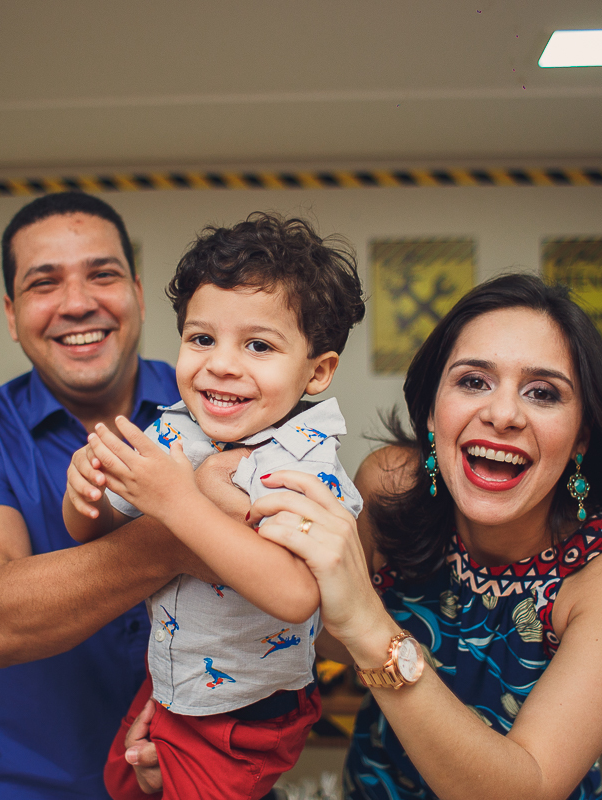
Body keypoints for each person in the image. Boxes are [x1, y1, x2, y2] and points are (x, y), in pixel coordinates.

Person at [238, 273, 602, 800]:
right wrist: (184, 708)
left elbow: (529, 789)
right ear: (429, 411)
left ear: (581, 435)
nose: (502, 414)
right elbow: (318, 633)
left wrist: (367, 621)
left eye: (543, 393)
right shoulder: (389, 486)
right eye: (473, 381)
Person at [0, 192, 231, 799]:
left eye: (103, 274)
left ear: (138, 294)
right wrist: (185, 532)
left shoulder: (220, 404)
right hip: (36, 785)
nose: (78, 302)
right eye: (45, 283)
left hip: (212, 776)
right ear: (12, 315)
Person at [63, 213, 367, 800]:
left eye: (258, 345)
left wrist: (182, 502)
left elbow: (297, 593)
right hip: (169, 682)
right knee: (121, 783)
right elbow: (93, 534)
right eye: (202, 338)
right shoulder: (174, 433)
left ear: (317, 371)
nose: (221, 363)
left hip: (246, 713)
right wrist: (83, 496)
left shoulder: (304, 463)